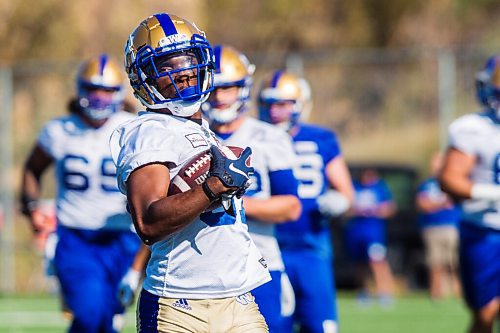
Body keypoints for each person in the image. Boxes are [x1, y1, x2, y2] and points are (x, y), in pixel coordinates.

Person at [110, 13, 271, 332]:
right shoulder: (148, 131)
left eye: (187, 60)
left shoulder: (205, 131)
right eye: (167, 66)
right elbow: (148, 223)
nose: (182, 73)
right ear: (145, 78)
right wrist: (213, 187)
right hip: (181, 304)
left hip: (239, 297)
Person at [20, 54, 142, 333]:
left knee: (107, 317)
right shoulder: (59, 131)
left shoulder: (132, 129)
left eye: (107, 90)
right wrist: (30, 206)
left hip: (123, 238)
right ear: (80, 89)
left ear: (119, 93)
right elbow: (32, 169)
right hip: (76, 238)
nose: (99, 98)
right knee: (89, 313)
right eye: (93, 89)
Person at [202, 45, 302, 332]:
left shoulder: (269, 137)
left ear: (243, 88)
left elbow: (291, 206)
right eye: (214, 88)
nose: (220, 97)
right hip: (202, 271)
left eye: (228, 88)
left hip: (259, 266)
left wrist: (232, 203)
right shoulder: (189, 135)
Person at [258, 70, 354, 333]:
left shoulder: (320, 138)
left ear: (299, 105)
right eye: (270, 104)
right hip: (266, 247)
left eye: (283, 104)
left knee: (321, 326)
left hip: (311, 246)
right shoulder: (254, 136)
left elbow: (346, 191)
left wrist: (339, 201)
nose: (276, 111)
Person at [439, 55, 500, 333]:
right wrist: (494, 193)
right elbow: (450, 179)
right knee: (485, 313)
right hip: (485, 230)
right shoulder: (473, 128)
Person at [344, 167, 396, 307]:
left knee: (378, 263)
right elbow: (346, 208)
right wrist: (357, 211)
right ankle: (363, 292)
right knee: (360, 265)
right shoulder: (355, 187)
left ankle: (384, 293)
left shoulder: (380, 188)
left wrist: (375, 210)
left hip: (374, 234)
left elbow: (389, 208)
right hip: (356, 232)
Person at [416, 152, 461, 301]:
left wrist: (435, 204)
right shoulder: (426, 185)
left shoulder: (452, 182)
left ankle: (458, 292)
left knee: (454, 263)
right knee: (435, 263)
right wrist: (440, 204)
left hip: (452, 227)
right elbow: (423, 204)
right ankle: (436, 293)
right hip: (432, 228)